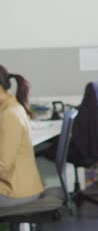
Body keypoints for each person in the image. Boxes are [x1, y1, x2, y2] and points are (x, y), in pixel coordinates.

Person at [0, 65, 44, 207]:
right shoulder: (10, 106)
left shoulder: (9, 114)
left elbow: (3, 166)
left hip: (16, 192)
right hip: (19, 186)